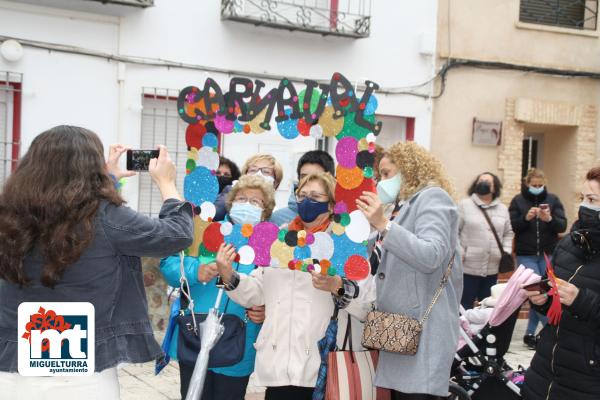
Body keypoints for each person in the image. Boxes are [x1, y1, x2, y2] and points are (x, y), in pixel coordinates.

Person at [0, 126, 193, 398]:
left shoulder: (9, 216)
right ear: (91, 169)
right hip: (83, 374)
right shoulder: (108, 217)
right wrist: (167, 184)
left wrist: (111, 180)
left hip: (13, 368)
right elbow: (178, 234)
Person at [216, 172, 370, 400]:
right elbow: (257, 292)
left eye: (316, 196)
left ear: (330, 205)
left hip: (324, 369)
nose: (307, 202)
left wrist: (337, 285)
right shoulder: (280, 240)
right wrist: (229, 274)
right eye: (303, 195)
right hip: (278, 369)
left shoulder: (345, 244)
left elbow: (366, 305)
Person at [356, 141, 462, 400]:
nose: (381, 181)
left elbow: (431, 254)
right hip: (400, 329)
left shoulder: (433, 197)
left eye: (387, 174)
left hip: (423, 331)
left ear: (408, 170)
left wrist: (383, 224)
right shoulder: (400, 207)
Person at [160, 175, 273, 399]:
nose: (247, 204)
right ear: (230, 203)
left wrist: (267, 310)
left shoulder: (269, 245)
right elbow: (169, 264)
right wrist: (196, 271)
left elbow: (276, 290)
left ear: (266, 210)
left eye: (255, 201)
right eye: (242, 198)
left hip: (239, 343)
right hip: (195, 334)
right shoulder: (205, 231)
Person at [521, 166, 600, 400]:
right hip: (545, 370)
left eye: (592, 199)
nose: (584, 205)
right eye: (583, 198)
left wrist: (581, 300)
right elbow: (553, 297)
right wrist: (541, 300)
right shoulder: (569, 244)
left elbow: (581, 301)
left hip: (586, 380)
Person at [509, 168, 567, 348]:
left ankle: (530, 334)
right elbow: (513, 226)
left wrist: (549, 218)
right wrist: (526, 218)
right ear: (527, 184)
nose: (537, 188)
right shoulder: (518, 201)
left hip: (548, 254)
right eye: (534, 185)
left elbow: (562, 226)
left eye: (540, 185)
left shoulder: (553, 200)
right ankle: (550, 328)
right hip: (526, 254)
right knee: (535, 290)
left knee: (545, 292)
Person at [459, 172, 514, 309]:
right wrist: (460, 251)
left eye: (488, 182)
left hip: (492, 268)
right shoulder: (464, 205)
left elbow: (508, 233)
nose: (483, 184)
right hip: (468, 267)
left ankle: (483, 331)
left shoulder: (502, 209)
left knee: (488, 306)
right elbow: (454, 232)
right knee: (463, 306)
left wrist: (505, 252)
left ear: (495, 188)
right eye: (480, 181)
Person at [270, 150, 335, 226]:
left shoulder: (342, 224)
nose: (309, 180)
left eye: (317, 177)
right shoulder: (277, 219)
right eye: (304, 176)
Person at [214, 154, 283, 221]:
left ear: (276, 182)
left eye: (266, 171)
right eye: (253, 170)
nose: (258, 174)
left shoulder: (278, 216)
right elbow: (215, 212)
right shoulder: (230, 193)